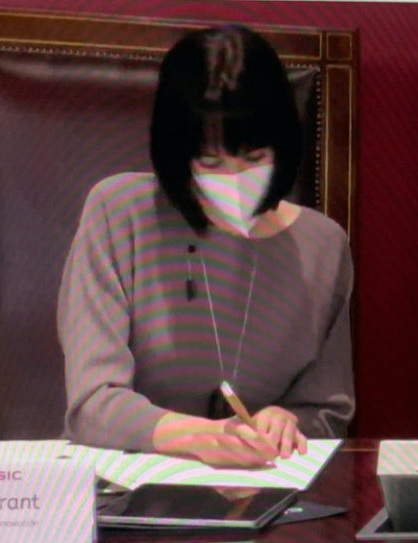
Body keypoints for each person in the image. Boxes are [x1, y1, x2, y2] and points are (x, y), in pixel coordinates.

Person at [57, 25, 354, 468]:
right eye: (211, 162)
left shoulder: (324, 246)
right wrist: (204, 438)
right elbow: (92, 403)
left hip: (264, 491)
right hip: (124, 488)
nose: (234, 183)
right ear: (178, 156)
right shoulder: (117, 213)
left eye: (253, 159)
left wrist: (287, 420)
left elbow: (328, 411)